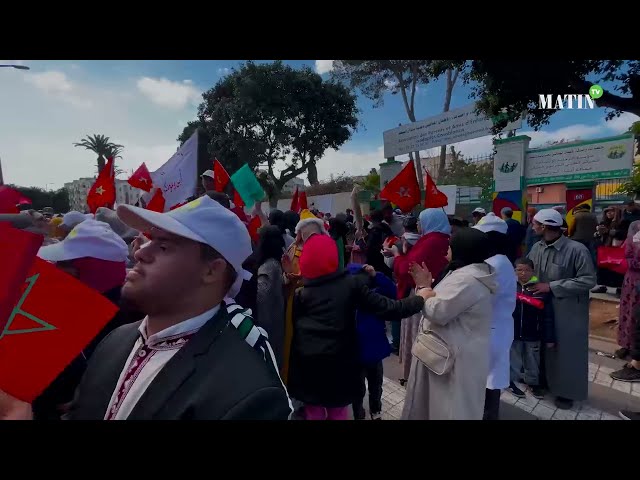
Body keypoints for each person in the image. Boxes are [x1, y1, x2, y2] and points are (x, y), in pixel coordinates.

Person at [0, 195, 293, 420]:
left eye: (163, 246)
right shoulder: (115, 341)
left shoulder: (248, 393)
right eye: (149, 240)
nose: (140, 251)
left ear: (211, 271)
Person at [288, 234, 427, 420]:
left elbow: (296, 334)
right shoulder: (349, 285)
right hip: (339, 369)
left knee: (314, 412)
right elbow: (389, 308)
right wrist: (421, 298)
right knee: (338, 412)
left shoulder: (300, 295)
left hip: (307, 369)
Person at [32, 219, 144, 419]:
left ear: (93, 269)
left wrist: (95, 397)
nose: (56, 267)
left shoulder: (134, 320)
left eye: (65, 263)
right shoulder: (71, 304)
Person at [401, 228, 497, 420]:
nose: (446, 250)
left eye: (451, 246)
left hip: (452, 361)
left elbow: (439, 311)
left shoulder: (466, 280)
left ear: (463, 249)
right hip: (453, 353)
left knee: (446, 409)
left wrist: (423, 288)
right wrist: (430, 283)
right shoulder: (469, 273)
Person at [527, 208, 596, 410]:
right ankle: (542, 382)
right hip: (540, 304)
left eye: (535, 224)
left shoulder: (576, 249)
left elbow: (589, 280)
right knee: (541, 346)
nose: (533, 226)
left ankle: (567, 392)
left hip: (567, 309)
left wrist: (551, 287)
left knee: (566, 350)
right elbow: (531, 272)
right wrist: (529, 283)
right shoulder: (537, 247)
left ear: (545, 226)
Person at [392, 209, 451, 385]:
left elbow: (407, 269)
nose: (417, 224)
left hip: (421, 293)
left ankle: (413, 375)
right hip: (434, 293)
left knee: (415, 335)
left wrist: (397, 256)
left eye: (420, 220)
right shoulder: (441, 239)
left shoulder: (431, 241)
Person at [473, 213, 517, 420]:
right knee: (489, 377)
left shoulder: (494, 264)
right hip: (496, 327)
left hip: (492, 328)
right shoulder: (500, 260)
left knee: (489, 379)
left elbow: (477, 297)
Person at [347, 263, 397, 420]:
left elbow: (392, 292)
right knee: (358, 389)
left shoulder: (374, 296)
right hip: (356, 354)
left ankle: (375, 411)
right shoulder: (346, 301)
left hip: (372, 353)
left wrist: (377, 275)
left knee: (374, 387)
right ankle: (360, 413)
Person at [508, 258, 555, 399]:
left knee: (533, 361)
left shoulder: (539, 290)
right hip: (514, 333)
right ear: (514, 271)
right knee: (513, 360)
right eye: (519, 270)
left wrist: (550, 337)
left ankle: (533, 384)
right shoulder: (509, 286)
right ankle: (511, 382)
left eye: (527, 270)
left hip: (533, 334)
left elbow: (548, 317)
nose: (523, 273)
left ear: (533, 271)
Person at [252, 225, 286, 369]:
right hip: (276, 320)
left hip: (267, 324)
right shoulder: (276, 263)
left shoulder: (268, 267)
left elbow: (262, 297)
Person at [613, 221, 640, 361]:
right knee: (628, 311)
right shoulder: (635, 226)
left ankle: (636, 353)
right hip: (632, 279)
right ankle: (627, 345)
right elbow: (626, 252)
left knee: (637, 316)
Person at [592, 207, 625, 295]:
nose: (609, 213)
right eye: (607, 212)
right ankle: (602, 286)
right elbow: (597, 235)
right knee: (602, 266)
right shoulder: (603, 222)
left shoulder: (623, 222)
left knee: (617, 268)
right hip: (604, 247)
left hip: (617, 248)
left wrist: (609, 231)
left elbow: (623, 234)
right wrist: (598, 233)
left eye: (612, 211)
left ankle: (620, 288)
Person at [365, 209, 394, 277]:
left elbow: (369, 248)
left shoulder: (374, 231)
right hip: (387, 257)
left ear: (371, 219)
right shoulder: (386, 228)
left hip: (376, 260)